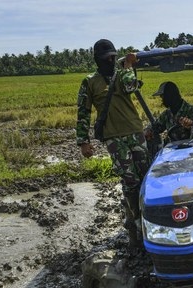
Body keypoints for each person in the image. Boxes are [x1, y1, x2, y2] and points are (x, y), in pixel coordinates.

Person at [75, 39, 150, 255]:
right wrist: (83, 141)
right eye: (106, 58)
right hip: (114, 138)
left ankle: (150, 217)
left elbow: (130, 87)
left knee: (146, 178)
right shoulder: (90, 82)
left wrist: (127, 68)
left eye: (112, 57)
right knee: (130, 181)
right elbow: (83, 112)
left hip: (135, 132)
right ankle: (136, 222)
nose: (110, 60)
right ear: (98, 60)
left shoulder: (123, 74)